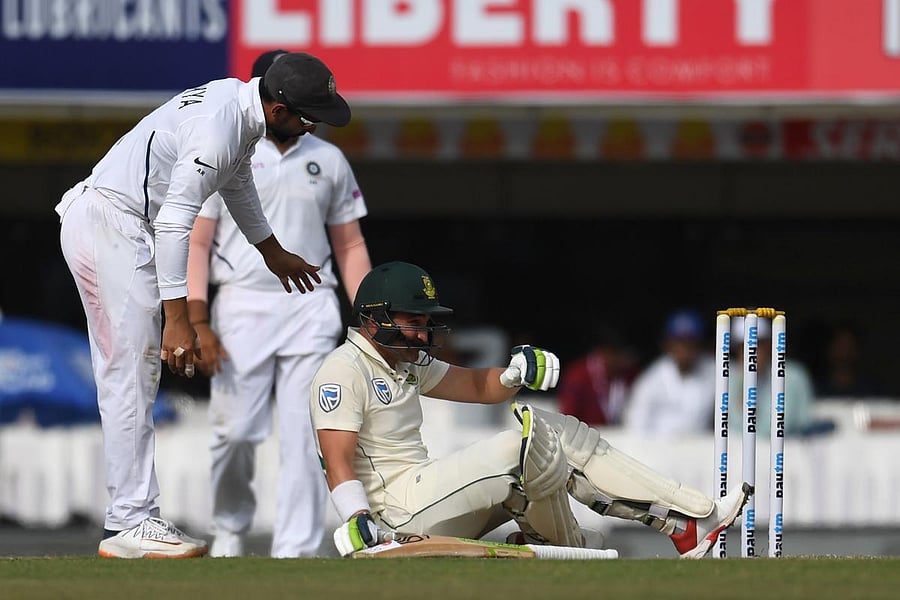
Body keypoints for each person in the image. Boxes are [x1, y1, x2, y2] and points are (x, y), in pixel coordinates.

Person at [54, 51, 352, 559]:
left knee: (134, 372)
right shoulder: (221, 126)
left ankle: (131, 519)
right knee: (130, 371)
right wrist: (181, 319)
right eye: (309, 117)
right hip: (111, 222)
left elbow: (236, 181)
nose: (312, 128)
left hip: (123, 226)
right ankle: (130, 521)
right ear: (278, 110)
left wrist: (271, 250)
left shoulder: (239, 108)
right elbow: (175, 223)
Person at [309, 261, 752, 560]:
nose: (424, 336)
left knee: (554, 434)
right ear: (374, 318)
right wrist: (357, 519)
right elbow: (338, 462)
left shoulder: (403, 362)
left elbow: (475, 385)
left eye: (427, 324)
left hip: (430, 498)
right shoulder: (343, 370)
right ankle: (577, 543)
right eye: (415, 322)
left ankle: (682, 521)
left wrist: (515, 373)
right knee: (529, 443)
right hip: (398, 514)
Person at [186, 49, 372, 558]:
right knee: (236, 433)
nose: (313, 121)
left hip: (311, 309)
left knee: (306, 435)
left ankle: (296, 549)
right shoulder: (227, 151)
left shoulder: (329, 160)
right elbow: (197, 243)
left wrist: (370, 317)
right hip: (242, 306)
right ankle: (229, 528)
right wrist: (196, 318)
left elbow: (350, 246)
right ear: (275, 104)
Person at [622, 309, 716, 435]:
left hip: (701, 448)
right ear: (668, 344)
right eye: (680, 343)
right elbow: (635, 423)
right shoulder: (652, 378)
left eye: (691, 343)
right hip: (657, 448)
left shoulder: (713, 371)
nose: (685, 350)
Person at [729, 316, 816, 436]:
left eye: (758, 344)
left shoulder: (794, 376)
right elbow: (733, 432)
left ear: (770, 345)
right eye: (743, 345)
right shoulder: (728, 382)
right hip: (739, 453)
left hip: (790, 451)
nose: (751, 351)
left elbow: (804, 424)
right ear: (736, 349)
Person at [556, 322, 638, 426]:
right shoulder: (578, 376)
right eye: (620, 355)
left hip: (618, 436)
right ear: (604, 352)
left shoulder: (630, 374)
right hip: (584, 437)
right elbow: (567, 419)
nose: (625, 360)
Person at [814, 321, 885, 399]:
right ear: (829, 349)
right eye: (839, 346)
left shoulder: (872, 388)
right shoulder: (815, 388)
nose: (844, 352)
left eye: (849, 346)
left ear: (858, 350)